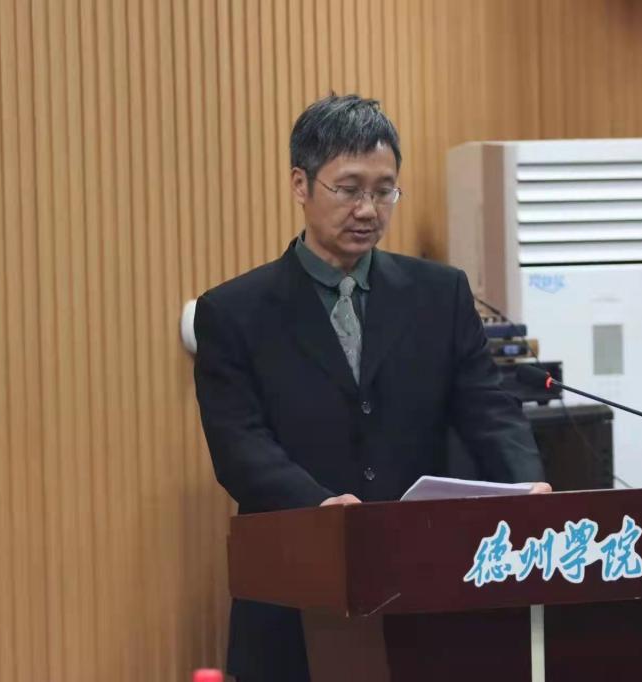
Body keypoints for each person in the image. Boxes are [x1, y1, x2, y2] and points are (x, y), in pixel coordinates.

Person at [193, 93, 550, 682]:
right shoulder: (235, 312)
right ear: (301, 185)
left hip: (425, 588)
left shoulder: (439, 294)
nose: (368, 209)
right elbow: (240, 445)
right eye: (349, 189)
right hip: (294, 593)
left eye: (385, 191)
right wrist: (321, 509)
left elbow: (488, 408)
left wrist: (526, 484)